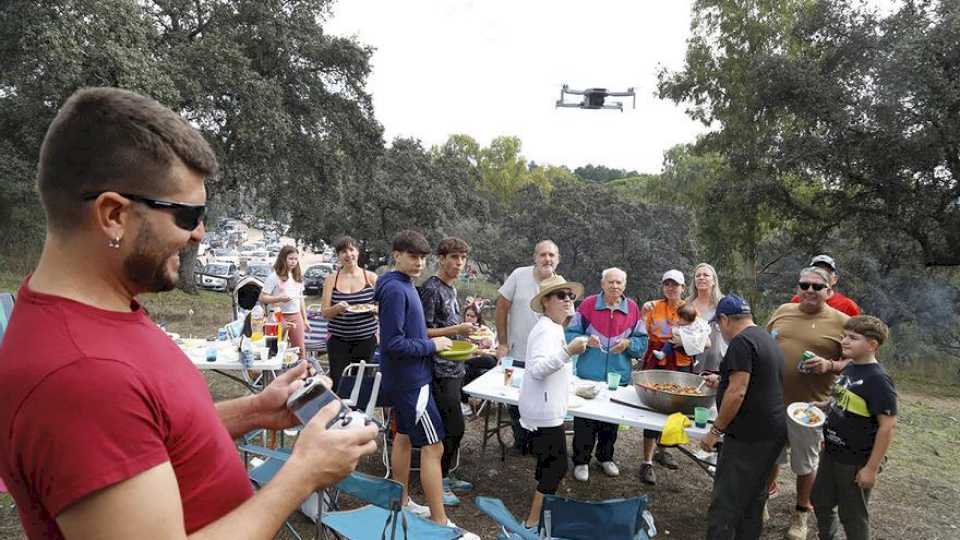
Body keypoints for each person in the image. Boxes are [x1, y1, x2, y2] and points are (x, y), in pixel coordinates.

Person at [0, 87, 377, 539]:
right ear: (114, 214)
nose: (200, 233)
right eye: (187, 214)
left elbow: (154, 438)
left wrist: (256, 410)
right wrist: (303, 475)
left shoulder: (102, 314)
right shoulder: (82, 375)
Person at [374, 230, 479, 539]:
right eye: (412, 256)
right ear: (396, 255)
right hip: (411, 381)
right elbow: (393, 344)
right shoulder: (395, 290)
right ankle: (440, 523)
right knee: (434, 446)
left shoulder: (404, 285)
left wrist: (434, 343)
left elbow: (408, 337)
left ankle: (403, 501)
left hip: (407, 378)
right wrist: (433, 346)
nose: (418, 263)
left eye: (422, 257)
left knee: (404, 439)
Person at [767, 266, 850, 540]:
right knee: (770, 456)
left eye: (817, 286)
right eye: (805, 285)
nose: (810, 290)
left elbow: (858, 360)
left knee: (805, 463)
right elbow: (766, 345)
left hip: (810, 408)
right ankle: (761, 502)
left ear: (829, 291)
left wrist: (829, 364)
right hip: (773, 401)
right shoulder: (782, 311)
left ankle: (801, 514)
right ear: (797, 288)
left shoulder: (842, 321)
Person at [701, 295, 787, 540]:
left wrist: (715, 431)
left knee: (726, 502)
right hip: (771, 432)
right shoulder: (764, 338)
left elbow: (738, 391)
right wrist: (721, 379)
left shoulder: (741, 343)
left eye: (719, 324)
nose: (720, 329)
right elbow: (757, 379)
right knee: (753, 498)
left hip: (749, 436)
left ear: (726, 320)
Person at [811, 316, 897, 540]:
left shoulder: (878, 379)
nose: (845, 342)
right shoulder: (850, 367)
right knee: (820, 500)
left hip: (855, 459)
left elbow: (887, 427)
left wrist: (870, 468)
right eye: (844, 336)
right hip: (831, 451)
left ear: (872, 345)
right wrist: (821, 406)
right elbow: (841, 400)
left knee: (853, 515)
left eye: (853, 338)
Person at [517, 276, 588, 532]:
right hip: (543, 412)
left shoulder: (555, 327)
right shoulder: (545, 329)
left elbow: (554, 368)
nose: (568, 299)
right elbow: (536, 370)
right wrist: (568, 351)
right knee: (556, 467)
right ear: (546, 301)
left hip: (548, 408)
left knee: (547, 463)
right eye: (561, 296)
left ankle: (540, 514)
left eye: (570, 295)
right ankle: (531, 524)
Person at [565, 267, 648, 482]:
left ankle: (605, 457)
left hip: (617, 376)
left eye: (619, 282)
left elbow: (642, 342)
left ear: (624, 285)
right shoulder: (588, 305)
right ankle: (581, 461)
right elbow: (570, 334)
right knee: (585, 420)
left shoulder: (632, 309)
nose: (615, 286)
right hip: (588, 374)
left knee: (611, 421)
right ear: (602, 284)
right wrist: (585, 340)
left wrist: (629, 344)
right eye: (610, 282)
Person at [419, 237, 476, 506]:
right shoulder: (431, 288)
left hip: (455, 365)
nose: (459, 263)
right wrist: (457, 330)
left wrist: (468, 336)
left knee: (455, 426)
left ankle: (446, 474)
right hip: (438, 369)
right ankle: (438, 481)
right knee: (452, 426)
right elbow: (423, 332)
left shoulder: (451, 289)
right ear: (441, 259)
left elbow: (451, 325)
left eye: (463, 258)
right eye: (454, 257)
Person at [495, 240, 562, 453]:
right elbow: (501, 308)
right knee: (515, 400)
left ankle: (537, 443)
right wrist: (503, 343)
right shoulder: (519, 275)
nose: (547, 259)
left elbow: (565, 319)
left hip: (544, 357)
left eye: (552, 255)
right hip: (516, 350)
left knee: (541, 398)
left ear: (557, 260)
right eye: (543, 254)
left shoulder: (561, 285)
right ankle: (520, 440)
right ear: (535, 257)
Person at [637, 269, 689, 485]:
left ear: (683, 288)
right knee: (653, 405)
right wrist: (642, 311)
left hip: (681, 360)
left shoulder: (689, 310)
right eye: (667, 284)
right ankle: (647, 461)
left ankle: (664, 449)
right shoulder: (653, 307)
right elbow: (641, 329)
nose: (671, 288)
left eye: (675, 284)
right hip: (656, 358)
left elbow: (701, 335)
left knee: (677, 406)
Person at [320, 235, 379, 391]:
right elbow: (325, 313)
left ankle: (360, 414)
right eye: (343, 251)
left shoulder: (371, 278)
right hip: (338, 342)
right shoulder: (331, 279)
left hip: (366, 341)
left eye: (351, 249)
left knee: (362, 384)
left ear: (358, 252)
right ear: (338, 256)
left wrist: (375, 309)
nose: (348, 254)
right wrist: (337, 308)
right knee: (339, 385)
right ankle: (340, 414)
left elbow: (385, 308)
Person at [260, 245, 308, 359]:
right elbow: (262, 298)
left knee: (300, 350)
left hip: (296, 316)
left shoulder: (297, 276)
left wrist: (305, 319)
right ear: (283, 259)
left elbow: (300, 299)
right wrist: (279, 298)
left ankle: (300, 374)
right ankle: (274, 375)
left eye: (296, 259)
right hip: (278, 316)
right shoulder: (273, 277)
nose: (293, 262)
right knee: (274, 350)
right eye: (290, 259)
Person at [790, 255, 860, 317]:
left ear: (835, 279)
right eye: (817, 271)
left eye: (827, 272)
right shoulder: (797, 300)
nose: (822, 276)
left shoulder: (848, 305)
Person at [688, 262, 726, 373]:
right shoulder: (686, 305)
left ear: (714, 281)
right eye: (698, 275)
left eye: (706, 275)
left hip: (719, 364)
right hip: (692, 363)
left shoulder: (723, 304)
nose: (701, 278)